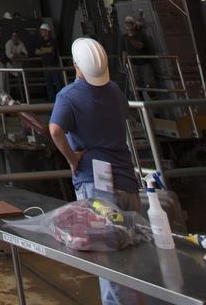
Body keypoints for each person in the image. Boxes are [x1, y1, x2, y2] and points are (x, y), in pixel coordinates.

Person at [49, 37, 142, 305]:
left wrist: (72, 158)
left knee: (108, 261)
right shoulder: (114, 91)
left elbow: (55, 130)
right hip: (127, 179)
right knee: (133, 256)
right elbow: (122, 116)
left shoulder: (69, 95)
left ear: (76, 66)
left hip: (96, 183)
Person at [120, 15, 155, 96]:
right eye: (126, 23)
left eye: (129, 23)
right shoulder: (124, 37)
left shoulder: (140, 35)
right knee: (136, 85)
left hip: (144, 63)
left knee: (149, 84)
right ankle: (141, 103)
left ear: (133, 25)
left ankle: (155, 103)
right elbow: (124, 51)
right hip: (133, 64)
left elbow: (140, 46)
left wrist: (130, 39)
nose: (127, 25)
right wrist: (124, 64)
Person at [34, 22, 63, 100]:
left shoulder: (53, 41)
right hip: (45, 66)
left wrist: (42, 49)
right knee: (48, 84)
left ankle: (61, 99)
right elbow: (36, 51)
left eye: (42, 30)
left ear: (47, 31)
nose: (41, 32)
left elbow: (51, 50)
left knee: (58, 84)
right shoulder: (40, 41)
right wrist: (47, 50)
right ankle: (51, 100)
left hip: (54, 65)